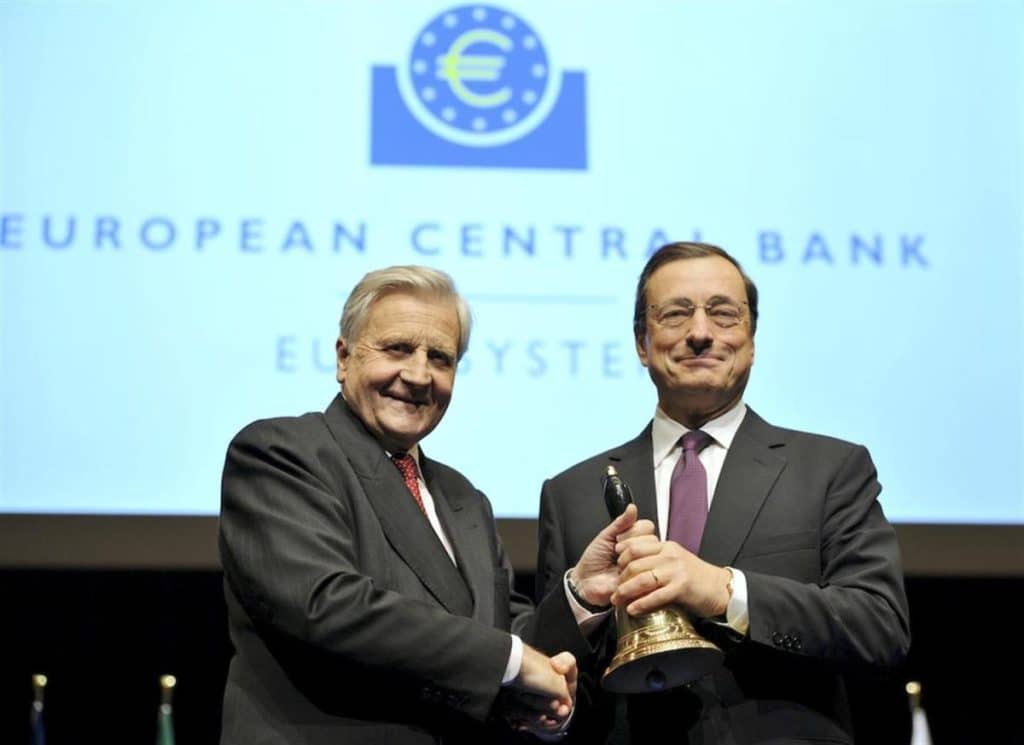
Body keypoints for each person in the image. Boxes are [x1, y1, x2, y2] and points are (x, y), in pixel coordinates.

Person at [535, 242, 911, 744]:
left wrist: (723, 590)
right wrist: (581, 609)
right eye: (675, 314)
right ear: (642, 343)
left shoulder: (830, 470)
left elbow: (880, 626)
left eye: (723, 313)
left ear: (751, 339)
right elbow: (550, 674)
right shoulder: (571, 493)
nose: (699, 332)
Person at [218, 265, 587, 745]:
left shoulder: (464, 499)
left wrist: (582, 594)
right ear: (344, 357)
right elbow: (328, 607)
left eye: (440, 358)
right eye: (397, 349)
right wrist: (513, 662)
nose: (418, 375)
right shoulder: (281, 453)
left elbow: (503, 634)